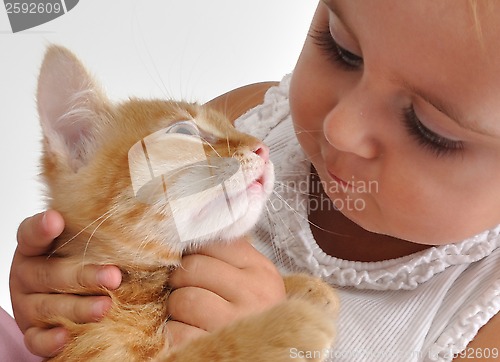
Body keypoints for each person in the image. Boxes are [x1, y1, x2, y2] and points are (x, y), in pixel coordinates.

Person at [8, 0, 500, 361]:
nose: (340, 128)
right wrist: (60, 285)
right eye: (343, 49)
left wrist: (263, 346)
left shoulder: (483, 327)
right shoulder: (250, 119)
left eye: (429, 129)